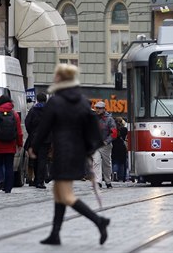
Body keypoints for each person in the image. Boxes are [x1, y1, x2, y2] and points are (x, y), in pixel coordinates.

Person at [29, 64, 109, 246]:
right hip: (77, 152)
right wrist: (88, 151)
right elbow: (92, 128)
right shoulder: (82, 101)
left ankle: (99, 221)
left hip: (64, 153)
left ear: (60, 79)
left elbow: (44, 128)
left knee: (66, 195)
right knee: (58, 192)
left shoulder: (56, 101)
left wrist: (34, 146)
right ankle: (55, 234)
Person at [25, 92, 48, 188]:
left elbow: (27, 122)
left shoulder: (33, 110)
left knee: (35, 158)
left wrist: (32, 133)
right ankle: (40, 181)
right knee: (42, 159)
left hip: (34, 138)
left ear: (37, 100)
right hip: (46, 139)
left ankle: (35, 179)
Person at [92, 101, 116, 189]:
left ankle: (108, 181)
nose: (97, 110)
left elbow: (114, 133)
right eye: (96, 108)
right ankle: (98, 182)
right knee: (96, 162)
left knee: (106, 164)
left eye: (99, 108)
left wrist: (107, 141)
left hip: (106, 145)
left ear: (104, 109)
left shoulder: (109, 119)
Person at [112, 117, 128, 182]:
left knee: (115, 161)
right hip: (122, 147)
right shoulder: (124, 129)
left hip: (114, 146)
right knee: (123, 163)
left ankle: (114, 173)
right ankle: (122, 177)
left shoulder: (113, 129)